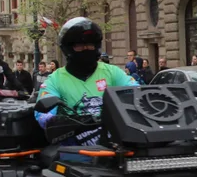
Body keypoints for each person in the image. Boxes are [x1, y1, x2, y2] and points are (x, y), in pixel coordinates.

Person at [35, 18, 136, 149]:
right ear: (68, 48)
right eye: (79, 45)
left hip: (115, 144)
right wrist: (54, 120)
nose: (86, 49)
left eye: (90, 45)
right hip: (75, 150)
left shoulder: (113, 72)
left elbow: (137, 93)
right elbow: (43, 112)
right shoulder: (55, 79)